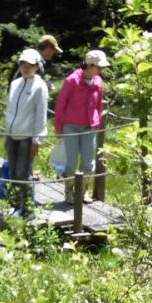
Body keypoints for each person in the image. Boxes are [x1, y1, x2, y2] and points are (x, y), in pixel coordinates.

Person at [55, 49, 107, 204]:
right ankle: (68, 192)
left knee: (88, 163)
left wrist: (96, 122)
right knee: (70, 162)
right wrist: (59, 129)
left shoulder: (98, 82)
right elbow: (60, 105)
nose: (101, 70)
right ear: (89, 65)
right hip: (70, 126)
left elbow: (99, 105)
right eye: (99, 67)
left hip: (89, 127)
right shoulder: (72, 80)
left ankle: (82, 192)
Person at [4, 48, 48, 216]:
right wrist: (6, 133)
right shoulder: (15, 84)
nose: (26, 67)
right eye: (23, 64)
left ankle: (28, 209)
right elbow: (9, 110)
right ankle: (17, 206)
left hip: (27, 136)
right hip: (11, 134)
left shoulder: (39, 86)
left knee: (24, 172)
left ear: (37, 66)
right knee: (14, 173)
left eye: (30, 65)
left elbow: (41, 114)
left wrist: (37, 140)